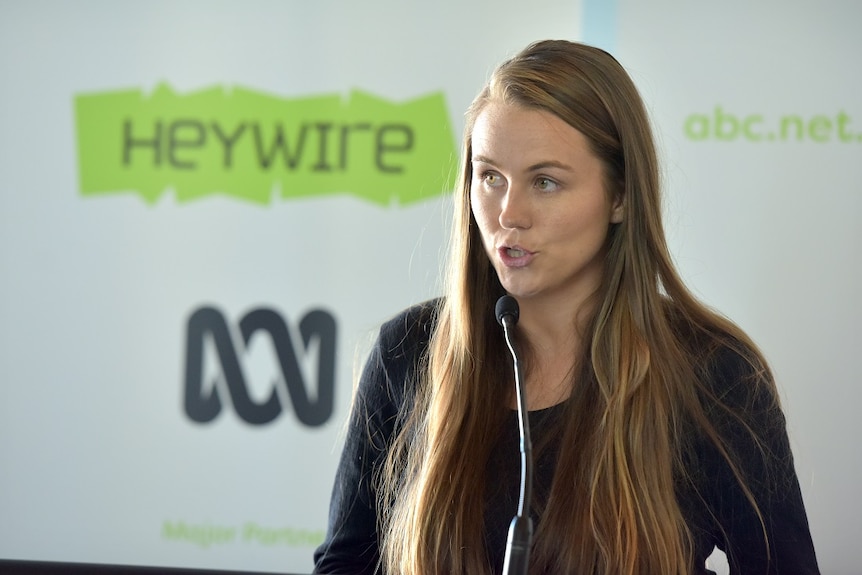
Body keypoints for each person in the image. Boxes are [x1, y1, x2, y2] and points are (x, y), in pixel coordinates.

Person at [312, 40, 820, 575]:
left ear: (620, 196)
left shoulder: (715, 373)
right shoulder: (408, 349)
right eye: (490, 177)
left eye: (546, 182)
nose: (509, 213)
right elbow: (345, 563)